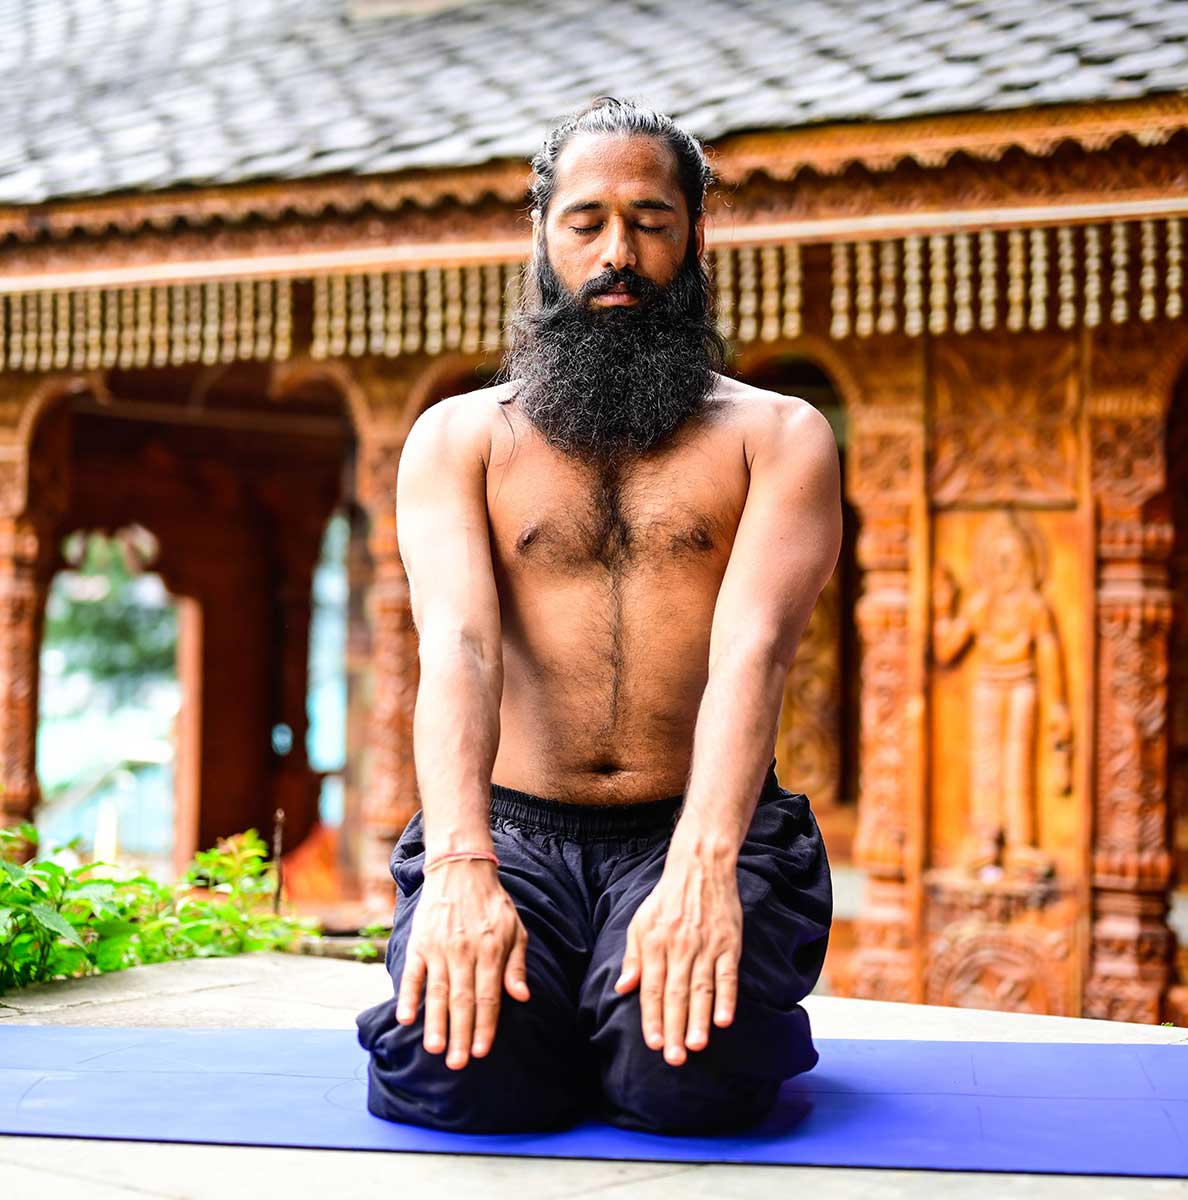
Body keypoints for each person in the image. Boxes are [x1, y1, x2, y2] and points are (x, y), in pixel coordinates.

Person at [355, 95, 841, 1136]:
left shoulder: (777, 436)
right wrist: (458, 868)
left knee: (684, 1079)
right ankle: (580, 1004)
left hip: (702, 826)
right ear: (541, 235)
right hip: (515, 835)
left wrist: (706, 869)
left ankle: (627, 1015)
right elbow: (460, 650)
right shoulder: (458, 441)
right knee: (458, 1080)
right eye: (586, 223)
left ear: (695, 234)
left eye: (651, 222)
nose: (618, 252)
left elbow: (752, 654)